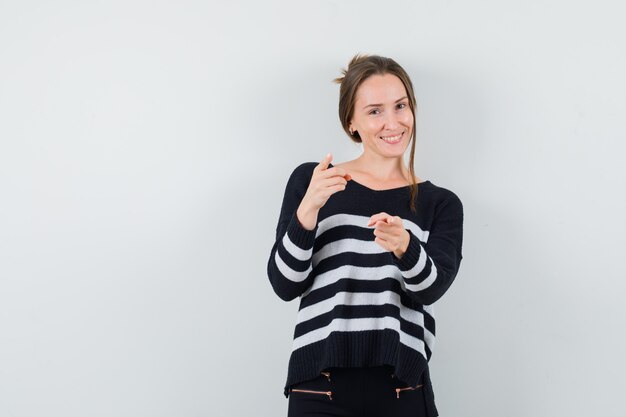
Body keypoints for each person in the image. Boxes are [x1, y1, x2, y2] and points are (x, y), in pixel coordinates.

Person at [266, 54, 464, 417]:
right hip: (318, 388)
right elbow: (284, 283)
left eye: (400, 106)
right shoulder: (316, 181)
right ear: (351, 122)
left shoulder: (440, 203)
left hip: (402, 389)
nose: (393, 122)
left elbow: (431, 288)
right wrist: (308, 210)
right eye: (375, 111)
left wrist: (406, 246)